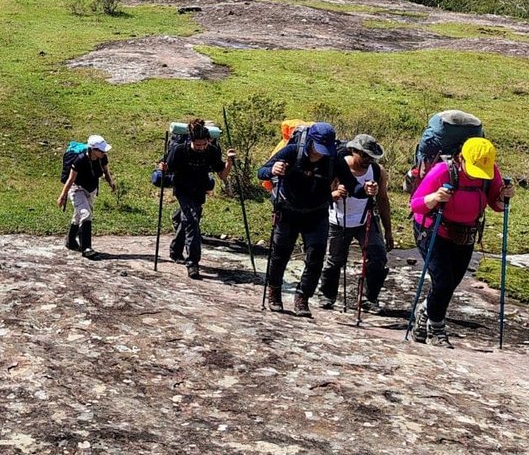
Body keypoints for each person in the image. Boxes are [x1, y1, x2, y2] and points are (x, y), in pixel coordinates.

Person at [409, 137, 511, 347]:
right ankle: (435, 330)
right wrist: (436, 197)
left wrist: (504, 196)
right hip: (433, 229)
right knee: (444, 282)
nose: (477, 174)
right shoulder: (442, 171)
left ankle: (424, 313)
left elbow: (497, 205)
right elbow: (416, 205)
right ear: (460, 157)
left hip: (465, 234)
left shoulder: (489, 172)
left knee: (450, 283)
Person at [258, 122, 366, 315]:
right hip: (288, 211)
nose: (322, 154)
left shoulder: (334, 159)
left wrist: (365, 190)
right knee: (280, 253)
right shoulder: (292, 151)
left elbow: (352, 186)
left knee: (316, 256)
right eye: (319, 148)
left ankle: (302, 297)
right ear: (310, 141)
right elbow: (261, 172)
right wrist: (273, 169)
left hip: (317, 213)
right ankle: (274, 292)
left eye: (326, 149)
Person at [319, 134, 393, 311]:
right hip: (337, 219)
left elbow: (383, 200)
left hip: (365, 218)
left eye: (372, 157)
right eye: (365, 155)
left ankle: (370, 298)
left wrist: (388, 231)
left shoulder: (377, 171)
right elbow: (319, 195)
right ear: (354, 151)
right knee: (334, 261)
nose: (368, 160)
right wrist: (334, 195)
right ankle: (327, 295)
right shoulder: (336, 166)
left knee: (378, 256)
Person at [159, 118, 233, 280]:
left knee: (191, 219)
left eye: (203, 145)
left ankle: (175, 250)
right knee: (191, 220)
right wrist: (163, 168)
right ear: (191, 140)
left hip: (199, 189)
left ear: (208, 141)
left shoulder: (212, 151)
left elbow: (222, 175)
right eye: (197, 145)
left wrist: (229, 161)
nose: (200, 148)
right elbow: (166, 168)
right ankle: (192, 263)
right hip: (183, 189)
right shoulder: (179, 150)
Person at [59, 135, 115, 259]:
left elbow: (105, 171)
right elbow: (70, 179)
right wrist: (63, 196)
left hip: (91, 190)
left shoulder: (102, 158)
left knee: (79, 215)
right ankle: (87, 248)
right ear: (93, 149)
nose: (104, 152)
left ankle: (71, 241)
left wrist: (111, 182)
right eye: (101, 150)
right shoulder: (80, 160)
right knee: (86, 214)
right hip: (77, 189)